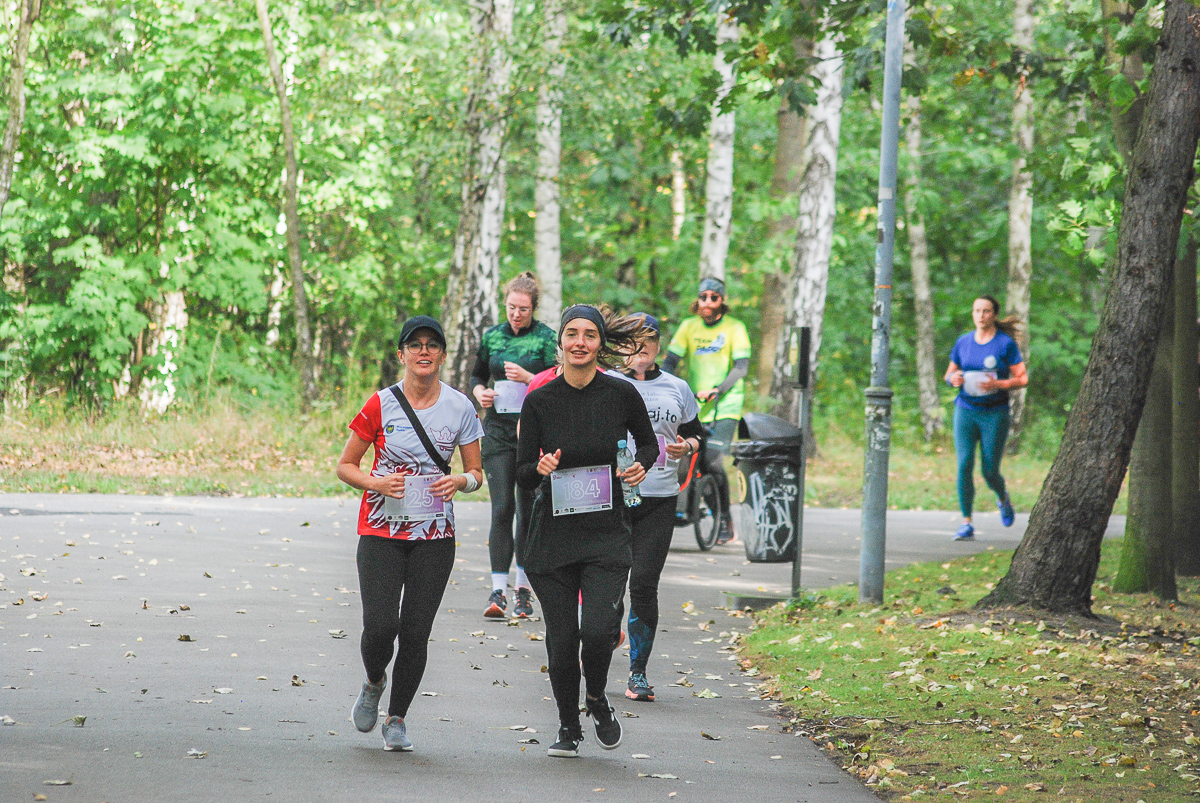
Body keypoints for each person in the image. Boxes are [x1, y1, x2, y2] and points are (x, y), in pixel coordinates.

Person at [336, 315, 484, 752]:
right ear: (401, 354)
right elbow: (345, 466)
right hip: (381, 530)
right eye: (414, 345)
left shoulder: (459, 407)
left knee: (416, 631)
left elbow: (477, 473)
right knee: (380, 627)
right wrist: (376, 483)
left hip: (435, 536)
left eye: (432, 345)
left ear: (441, 355)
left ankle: (397, 718)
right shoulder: (380, 404)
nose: (424, 352)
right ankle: (374, 680)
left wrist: (460, 482)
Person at [516, 305, 658, 758]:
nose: (580, 342)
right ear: (560, 342)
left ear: (599, 344)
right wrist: (538, 468)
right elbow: (520, 471)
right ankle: (566, 726)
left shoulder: (620, 394)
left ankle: (596, 698)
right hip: (553, 536)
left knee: (598, 631)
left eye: (589, 335)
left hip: (606, 533)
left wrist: (641, 466)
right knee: (561, 640)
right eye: (572, 334)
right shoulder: (539, 399)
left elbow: (650, 443)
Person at [612, 313, 705, 702]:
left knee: (644, 585)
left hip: (659, 499)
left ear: (658, 345)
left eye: (648, 339)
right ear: (621, 346)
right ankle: (597, 651)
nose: (641, 346)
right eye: (633, 339)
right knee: (608, 585)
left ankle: (638, 673)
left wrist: (689, 446)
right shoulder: (610, 384)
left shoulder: (677, 387)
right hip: (613, 500)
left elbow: (698, 432)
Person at [470, 272, 558, 619]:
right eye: (511, 307)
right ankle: (497, 590)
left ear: (533, 308)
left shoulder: (547, 338)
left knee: (527, 509)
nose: (516, 314)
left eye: (523, 309)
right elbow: (478, 375)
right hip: (498, 433)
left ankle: (523, 590)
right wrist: (481, 394)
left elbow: (559, 378)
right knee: (502, 507)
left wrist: (528, 379)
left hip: (533, 436)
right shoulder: (492, 336)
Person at [662, 276, 751, 544]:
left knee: (712, 460)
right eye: (703, 297)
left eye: (714, 297)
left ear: (722, 301)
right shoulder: (688, 327)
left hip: (725, 405)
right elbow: (670, 361)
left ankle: (724, 518)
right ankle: (686, 506)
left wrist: (719, 389)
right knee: (687, 457)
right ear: (697, 300)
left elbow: (741, 367)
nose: (708, 302)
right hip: (695, 406)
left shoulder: (735, 328)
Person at [944, 296, 1029, 541]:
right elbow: (949, 373)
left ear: (994, 315)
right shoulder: (963, 342)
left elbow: (1022, 379)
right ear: (972, 314)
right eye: (977, 311)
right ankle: (966, 522)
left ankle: (1002, 497)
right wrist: (954, 379)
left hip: (994, 413)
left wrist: (999, 384)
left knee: (990, 470)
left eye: (986, 311)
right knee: (964, 464)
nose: (981, 316)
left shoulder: (1005, 344)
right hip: (965, 410)